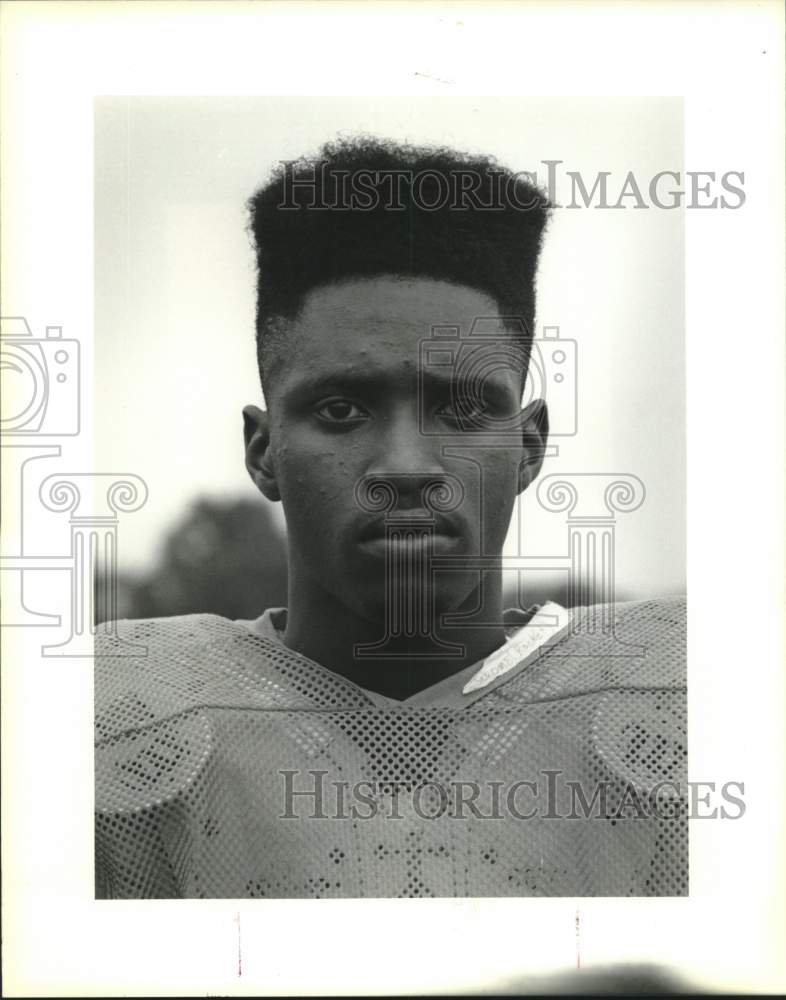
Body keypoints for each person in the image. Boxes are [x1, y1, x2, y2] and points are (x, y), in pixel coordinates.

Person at [95, 137, 687, 899]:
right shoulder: (102, 717)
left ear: (530, 446)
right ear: (264, 449)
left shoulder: (696, 703)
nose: (407, 466)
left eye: (464, 408)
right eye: (341, 409)